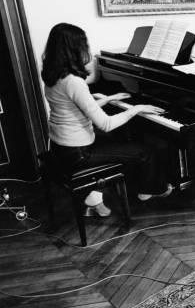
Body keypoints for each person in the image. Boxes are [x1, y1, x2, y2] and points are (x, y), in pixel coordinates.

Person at [42, 23, 172, 216]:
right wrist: (135, 109)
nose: (88, 49)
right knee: (145, 151)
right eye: (84, 45)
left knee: (124, 142)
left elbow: (77, 109)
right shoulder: (74, 82)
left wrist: (109, 99)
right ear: (73, 49)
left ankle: (94, 197)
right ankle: (149, 190)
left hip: (60, 146)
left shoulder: (53, 76)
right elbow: (106, 124)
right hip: (79, 153)